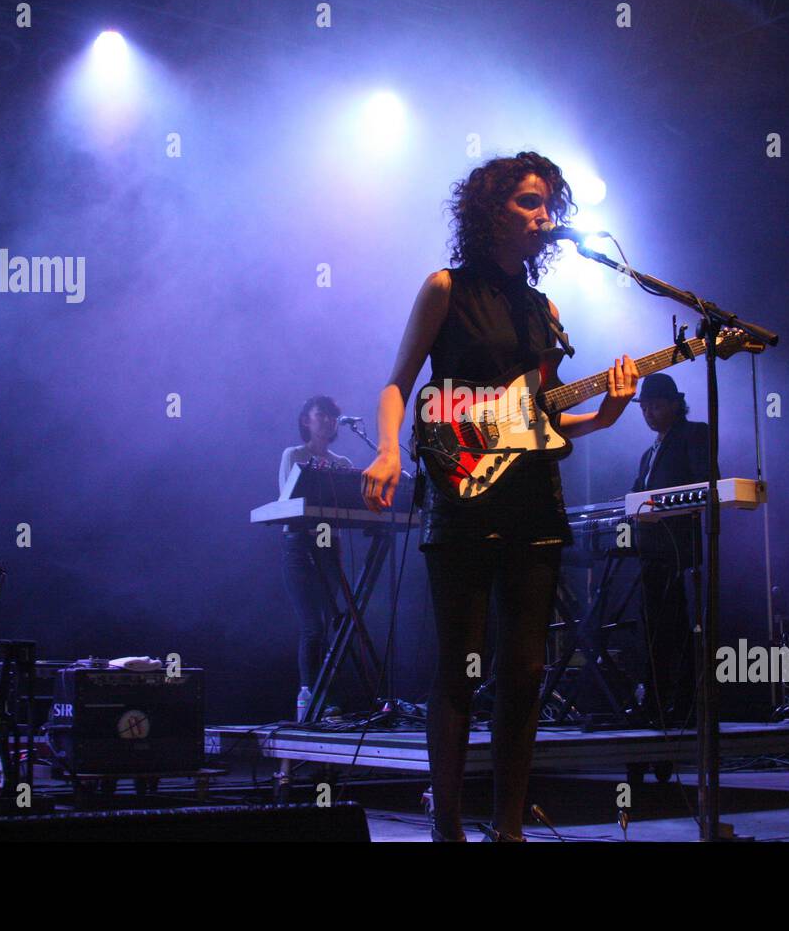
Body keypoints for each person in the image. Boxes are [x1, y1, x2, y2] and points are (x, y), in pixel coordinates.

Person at [361, 152, 639, 841]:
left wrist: (604, 416)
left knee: (526, 669)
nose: (544, 214)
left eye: (548, 202)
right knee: (460, 666)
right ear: (489, 211)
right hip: (460, 492)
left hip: (533, 499)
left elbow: (539, 419)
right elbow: (399, 381)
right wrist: (390, 447)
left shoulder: (543, 309)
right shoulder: (445, 288)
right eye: (528, 201)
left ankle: (508, 828)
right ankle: (449, 828)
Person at [630, 372, 712, 725]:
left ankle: (685, 706)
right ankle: (656, 703)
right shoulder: (648, 454)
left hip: (679, 550)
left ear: (676, 405)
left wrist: (663, 507)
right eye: (644, 407)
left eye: (656, 405)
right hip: (652, 552)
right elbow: (633, 500)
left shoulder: (694, 434)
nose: (649, 413)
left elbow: (706, 482)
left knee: (680, 630)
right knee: (655, 629)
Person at [279, 396, 354, 694]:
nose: (328, 421)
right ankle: (307, 695)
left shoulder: (343, 463)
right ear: (305, 420)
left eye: (333, 417)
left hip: (328, 543)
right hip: (298, 543)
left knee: (332, 621)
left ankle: (327, 697)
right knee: (312, 626)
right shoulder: (293, 455)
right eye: (321, 414)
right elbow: (289, 501)